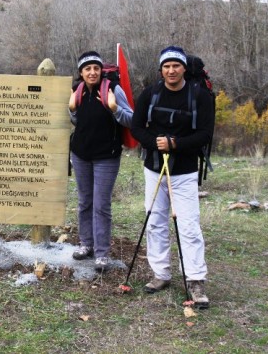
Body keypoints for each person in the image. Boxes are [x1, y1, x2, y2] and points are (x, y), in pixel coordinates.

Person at [130, 46, 214, 308]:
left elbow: (205, 134)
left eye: (176, 65)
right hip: (153, 169)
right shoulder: (150, 93)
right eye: (166, 66)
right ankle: (161, 274)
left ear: (184, 69)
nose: (171, 70)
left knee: (188, 226)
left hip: (184, 171)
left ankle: (195, 280)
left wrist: (174, 144)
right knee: (155, 222)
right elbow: (136, 127)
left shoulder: (200, 96)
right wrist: (156, 144)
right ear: (161, 70)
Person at [68, 51, 133, 272]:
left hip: (106, 156)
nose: (92, 72)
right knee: (85, 202)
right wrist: (71, 109)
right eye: (88, 69)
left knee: (101, 205)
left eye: (96, 68)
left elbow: (131, 119)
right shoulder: (77, 92)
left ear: (101, 70)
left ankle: (102, 253)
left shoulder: (113, 89)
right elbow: (77, 121)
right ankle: (86, 244)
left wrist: (114, 108)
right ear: (81, 73)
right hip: (81, 155)